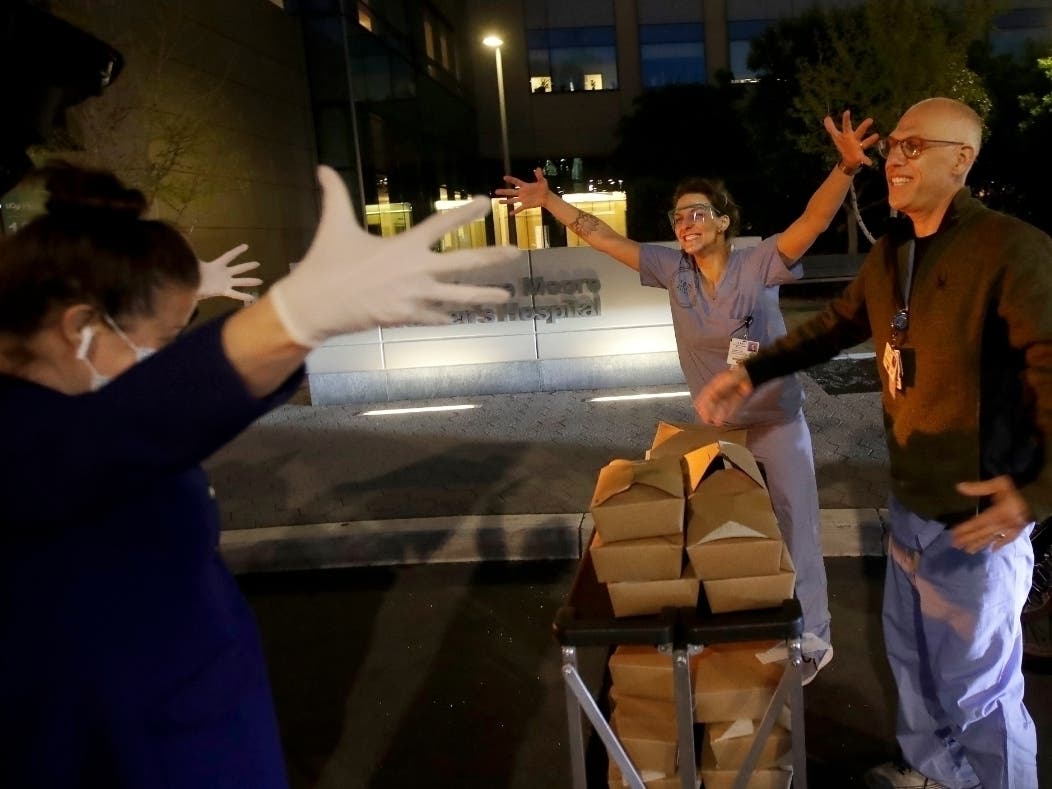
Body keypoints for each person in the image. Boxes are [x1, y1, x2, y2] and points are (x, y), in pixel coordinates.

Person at [0, 162, 517, 788]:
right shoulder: (32, 439)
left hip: (200, 731)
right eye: (163, 341)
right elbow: (133, 425)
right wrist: (291, 317)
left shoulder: (83, 414)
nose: (165, 363)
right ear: (80, 328)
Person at [696, 97, 1044, 789]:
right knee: (913, 665)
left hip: (979, 519)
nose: (895, 159)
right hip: (910, 505)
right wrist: (751, 371)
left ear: (961, 160)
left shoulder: (1011, 248)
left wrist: (1037, 491)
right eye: (894, 147)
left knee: (980, 694)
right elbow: (834, 325)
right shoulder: (893, 253)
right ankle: (936, 774)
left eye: (915, 146)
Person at [498, 111, 878, 683]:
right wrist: (549, 201)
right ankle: (736, 626)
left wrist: (845, 168)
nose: (686, 223)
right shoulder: (672, 271)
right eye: (678, 216)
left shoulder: (758, 263)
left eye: (698, 212)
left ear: (723, 222)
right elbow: (603, 237)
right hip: (719, 432)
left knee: (796, 529)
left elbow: (813, 220)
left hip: (775, 423)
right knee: (718, 531)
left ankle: (814, 638)